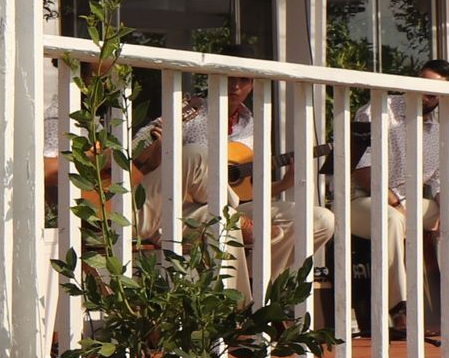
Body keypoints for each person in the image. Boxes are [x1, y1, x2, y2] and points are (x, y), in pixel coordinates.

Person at [133, 71, 334, 297]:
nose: (235, 86)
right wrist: (159, 148)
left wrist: (284, 184)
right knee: (200, 160)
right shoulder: (190, 111)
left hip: (232, 205)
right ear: (214, 78)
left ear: (252, 85)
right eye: (230, 78)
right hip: (179, 208)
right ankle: (241, 306)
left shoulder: (255, 125)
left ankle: (264, 293)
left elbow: (248, 189)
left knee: (320, 219)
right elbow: (139, 152)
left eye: (243, 80)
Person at [349, 58, 449, 336]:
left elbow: (440, 183)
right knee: (391, 219)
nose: (429, 94)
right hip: (361, 199)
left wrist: (447, 209)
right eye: (424, 85)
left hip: (408, 201)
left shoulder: (437, 129)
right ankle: (398, 309)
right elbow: (363, 172)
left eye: (437, 91)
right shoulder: (377, 112)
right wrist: (396, 204)